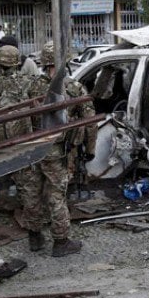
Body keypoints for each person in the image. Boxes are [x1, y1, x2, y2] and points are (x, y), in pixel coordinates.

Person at [17, 41, 97, 257]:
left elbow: (19, 120)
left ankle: (35, 237)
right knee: (56, 195)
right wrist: (90, 149)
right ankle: (61, 242)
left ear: (44, 62)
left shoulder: (30, 86)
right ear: (66, 62)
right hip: (57, 151)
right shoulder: (73, 87)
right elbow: (90, 121)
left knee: (31, 193)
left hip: (31, 150)